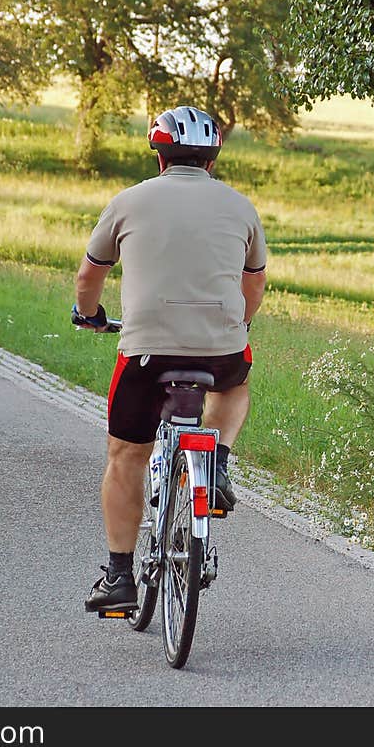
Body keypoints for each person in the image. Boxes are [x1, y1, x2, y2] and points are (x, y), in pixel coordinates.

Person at [71, 105, 267, 614]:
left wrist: (89, 315)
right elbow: (254, 283)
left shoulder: (129, 201)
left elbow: (88, 278)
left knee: (124, 456)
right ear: (212, 158)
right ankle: (217, 460)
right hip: (219, 350)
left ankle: (118, 576)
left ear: (160, 154)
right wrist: (236, 325)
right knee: (236, 383)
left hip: (146, 354)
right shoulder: (241, 207)